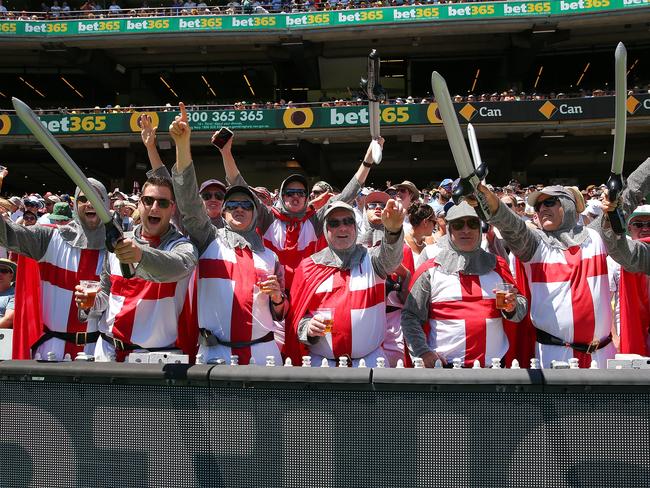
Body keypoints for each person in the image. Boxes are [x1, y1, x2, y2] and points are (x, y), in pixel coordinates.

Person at [169, 103, 288, 365]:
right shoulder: (207, 238)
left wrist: (278, 298)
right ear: (222, 213)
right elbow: (188, 203)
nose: (239, 209)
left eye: (246, 205)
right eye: (232, 205)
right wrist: (182, 146)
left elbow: (280, 313)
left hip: (263, 356)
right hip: (215, 356)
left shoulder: (270, 256)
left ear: (256, 214)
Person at [218, 126, 381, 288]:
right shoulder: (268, 217)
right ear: (282, 196)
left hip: (306, 287)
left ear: (306, 197)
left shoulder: (315, 220)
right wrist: (225, 152)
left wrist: (367, 162)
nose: (295, 196)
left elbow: (347, 195)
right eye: (290, 192)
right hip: (271, 290)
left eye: (301, 193)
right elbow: (239, 185)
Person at [475, 182, 615, 368]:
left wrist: (616, 197)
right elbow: (511, 226)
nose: (542, 209)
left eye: (549, 202)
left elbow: (629, 194)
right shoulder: (534, 245)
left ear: (567, 204)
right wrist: (489, 202)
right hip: (554, 356)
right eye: (538, 206)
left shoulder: (596, 236)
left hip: (602, 355)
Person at [77, 176, 198, 361]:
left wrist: (140, 256)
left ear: (173, 208)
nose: (154, 207)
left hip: (155, 358)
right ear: (140, 203)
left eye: (163, 203)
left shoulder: (181, 246)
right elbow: (106, 296)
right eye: (148, 200)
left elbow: (178, 266)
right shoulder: (118, 241)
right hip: (108, 351)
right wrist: (89, 303)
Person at [401, 202, 528, 367]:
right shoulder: (429, 270)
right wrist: (422, 352)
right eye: (459, 225)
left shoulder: (498, 265)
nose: (466, 230)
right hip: (446, 370)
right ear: (449, 230)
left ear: (479, 228)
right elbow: (410, 316)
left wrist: (513, 307)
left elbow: (520, 310)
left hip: (494, 369)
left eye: (472, 224)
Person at [286, 199, 405, 367]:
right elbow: (295, 319)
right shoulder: (308, 267)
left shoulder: (372, 260)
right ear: (326, 230)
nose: (342, 228)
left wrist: (393, 231)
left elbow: (391, 260)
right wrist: (307, 327)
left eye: (348, 221)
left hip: (371, 363)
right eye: (334, 223)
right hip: (321, 366)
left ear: (356, 227)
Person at [0, 176, 108, 360]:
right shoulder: (49, 238)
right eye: (83, 198)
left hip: (99, 353)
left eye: (96, 197)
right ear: (75, 204)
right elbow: (7, 235)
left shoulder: (120, 249)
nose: (89, 203)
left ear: (106, 204)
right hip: (50, 353)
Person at [600, 158, 650, 275]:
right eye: (638, 224)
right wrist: (611, 217)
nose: (645, 228)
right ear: (628, 228)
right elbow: (620, 249)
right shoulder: (640, 255)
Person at [0, 258, 15, 329]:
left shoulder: (15, 295)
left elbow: (8, 320)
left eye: (4, 271)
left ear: (11, 276)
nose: (0, 273)